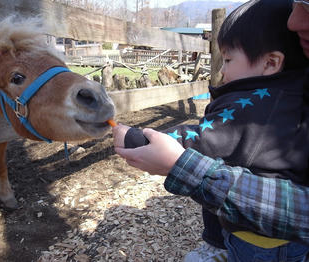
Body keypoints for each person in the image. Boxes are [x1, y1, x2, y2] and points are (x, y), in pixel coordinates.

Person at [112, 0, 309, 261]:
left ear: (271, 63)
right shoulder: (296, 90)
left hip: (258, 241)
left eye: (227, 59)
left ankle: (219, 248)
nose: (222, 70)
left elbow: (204, 138)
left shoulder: (252, 104)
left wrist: (136, 138)